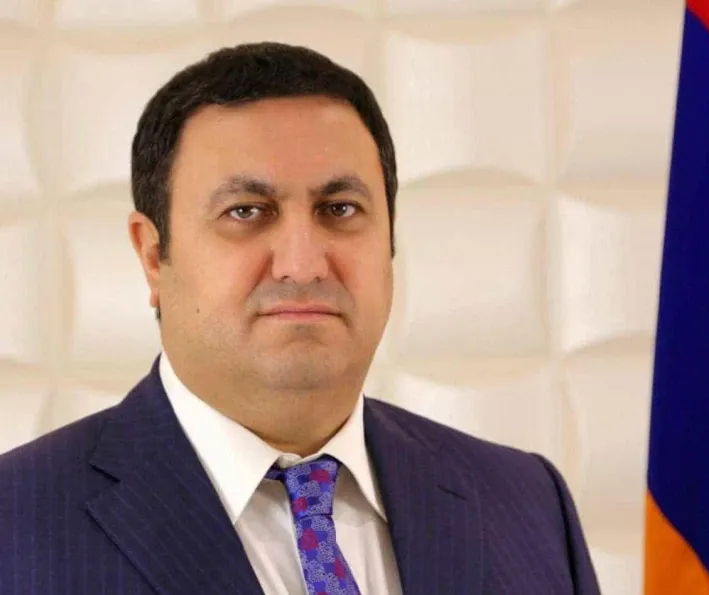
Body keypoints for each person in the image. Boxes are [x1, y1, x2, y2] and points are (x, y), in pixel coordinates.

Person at [0, 42, 600, 595]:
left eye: (340, 209)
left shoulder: (526, 502)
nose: (303, 263)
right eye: (247, 211)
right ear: (154, 256)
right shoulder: (16, 524)